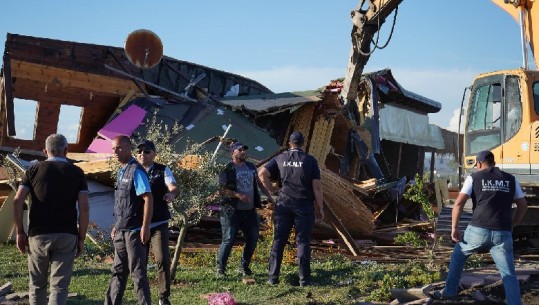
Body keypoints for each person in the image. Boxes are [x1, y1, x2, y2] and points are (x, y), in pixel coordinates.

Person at [434, 150, 528, 305]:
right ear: (494, 162)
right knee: (508, 273)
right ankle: (514, 302)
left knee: (458, 256)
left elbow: (458, 203)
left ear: (478, 164)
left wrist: (454, 228)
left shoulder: (474, 177)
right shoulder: (511, 179)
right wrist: (512, 224)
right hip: (502, 233)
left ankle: (449, 293)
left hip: (478, 230)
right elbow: (523, 205)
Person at [13, 134, 89, 305]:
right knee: (59, 286)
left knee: (37, 285)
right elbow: (84, 207)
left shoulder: (33, 170)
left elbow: (17, 201)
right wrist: (81, 237)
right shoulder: (77, 172)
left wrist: (20, 232)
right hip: (67, 233)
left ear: (45, 151)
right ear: (66, 150)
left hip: (38, 234)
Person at [258, 131, 324, 287]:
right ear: (304, 143)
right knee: (302, 242)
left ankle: (272, 278)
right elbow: (317, 187)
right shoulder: (310, 161)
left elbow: (262, 174)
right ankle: (304, 280)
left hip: (284, 204)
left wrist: (273, 193)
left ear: (289, 144)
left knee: (279, 241)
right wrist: (320, 207)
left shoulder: (280, 158)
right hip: (303, 205)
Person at [105, 135, 154, 305]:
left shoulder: (136, 170)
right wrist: (116, 226)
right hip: (121, 230)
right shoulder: (121, 170)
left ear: (128, 148)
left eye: (118, 148)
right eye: (113, 149)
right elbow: (122, 203)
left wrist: (145, 227)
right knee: (118, 270)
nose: (115, 152)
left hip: (134, 231)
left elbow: (148, 198)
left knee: (138, 273)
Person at [216, 142, 275, 277]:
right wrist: (238, 195)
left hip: (249, 211)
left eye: (244, 150)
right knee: (228, 239)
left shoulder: (251, 167)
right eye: (240, 150)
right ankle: (220, 269)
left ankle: (243, 267)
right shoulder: (227, 169)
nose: (243, 152)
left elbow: (259, 184)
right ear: (233, 153)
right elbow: (222, 189)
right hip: (231, 211)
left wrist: (270, 197)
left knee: (253, 238)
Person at [136, 140, 179, 305]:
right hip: (137, 224)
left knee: (162, 258)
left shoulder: (162, 170)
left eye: (146, 151)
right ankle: (142, 297)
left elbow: (173, 186)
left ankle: (163, 296)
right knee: (140, 262)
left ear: (154, 154)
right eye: (139, 151)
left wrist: (172, 194)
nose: (142, 154)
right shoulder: (132, 170)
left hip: (158, 222)